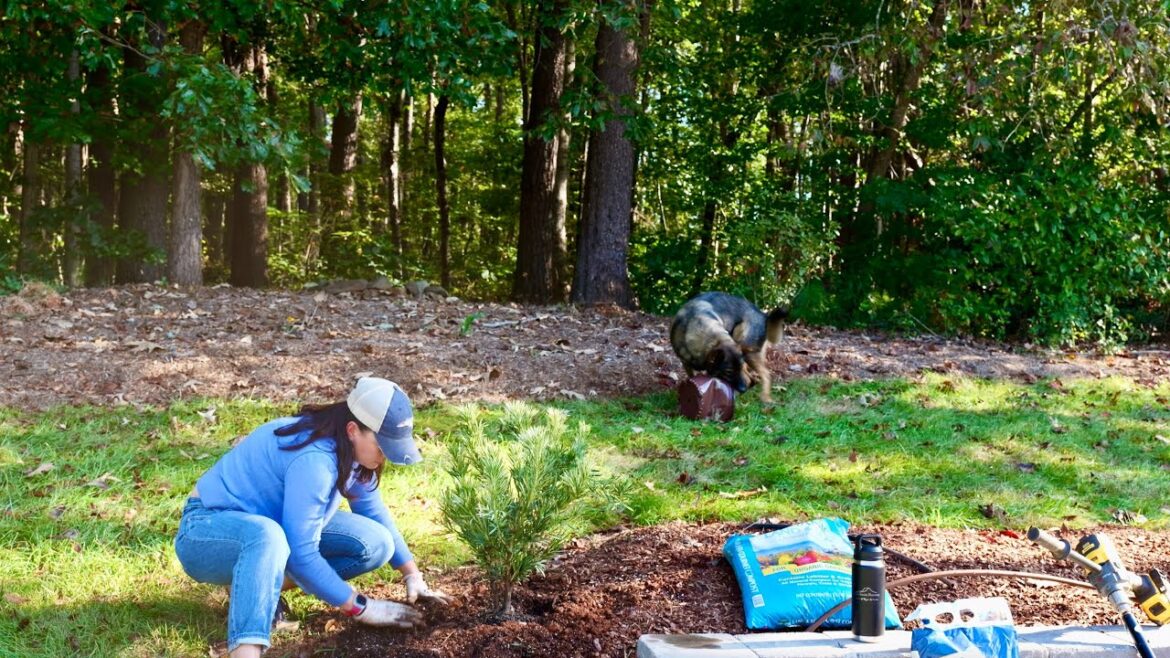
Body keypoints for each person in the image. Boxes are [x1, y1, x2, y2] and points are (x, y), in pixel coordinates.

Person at [175, 377, 451, 658]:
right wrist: (360, 606)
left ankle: (251, 586)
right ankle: (245, 651)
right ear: (353, 430)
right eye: (381, 446)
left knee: (376, 543)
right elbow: (301, 553)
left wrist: (412, 575)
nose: (385, 457)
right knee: (268, 537)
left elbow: (373, 511)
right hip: (206, 530)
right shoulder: (315, 460)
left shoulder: (350, 450)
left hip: (272, 529)